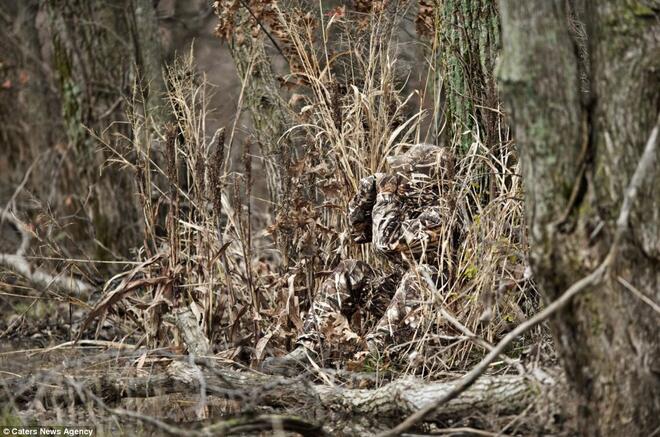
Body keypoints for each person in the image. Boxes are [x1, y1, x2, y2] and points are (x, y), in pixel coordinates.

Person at [262, 144, 455, 373]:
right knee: (351, 269)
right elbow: (359, 234)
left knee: (421, 275)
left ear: (423, 182)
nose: (397, 180)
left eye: (404, 175)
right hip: (401, 301)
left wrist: (385, 197)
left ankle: (371, 360)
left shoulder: (440, 215)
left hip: (439, 306)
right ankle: (308, 352)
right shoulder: (407, 207)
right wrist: (368, 193)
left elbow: (386, 243)